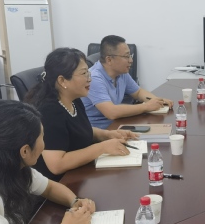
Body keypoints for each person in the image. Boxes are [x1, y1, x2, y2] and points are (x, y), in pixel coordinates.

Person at [25, 48, 138, 182]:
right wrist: (102, 147)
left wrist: (107, 135)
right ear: (62, 81)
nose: (89, 79)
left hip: (79, 174)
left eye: (88, 72)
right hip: (58, 183)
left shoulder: (74, 99)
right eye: (84, 73)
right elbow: (57, 165)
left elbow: (78, 130)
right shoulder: (49, 111)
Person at [82, 35, 174, 129]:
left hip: (118, 124)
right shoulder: (94, 78)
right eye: (126, 56)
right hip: (100, 131)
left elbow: (138, 92)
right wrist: (146, 106)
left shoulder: (121, 73)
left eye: (130, 56)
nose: (131, 60)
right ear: (109, 60)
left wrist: (158, 101)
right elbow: (111, 112)